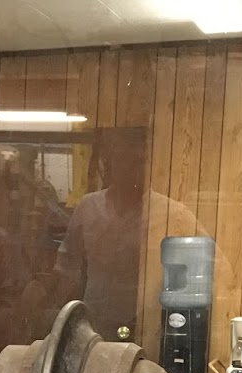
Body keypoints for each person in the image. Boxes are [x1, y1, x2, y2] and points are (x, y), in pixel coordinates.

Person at [58, 126, 205, 343]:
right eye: (122, 159)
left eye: (138, 161)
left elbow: (212, 266)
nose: (130, 169)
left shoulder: (173, 214)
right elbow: (65, 267)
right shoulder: (88, 207)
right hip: (91, 329)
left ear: (150, 166)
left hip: (145, 333)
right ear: (109, 162)